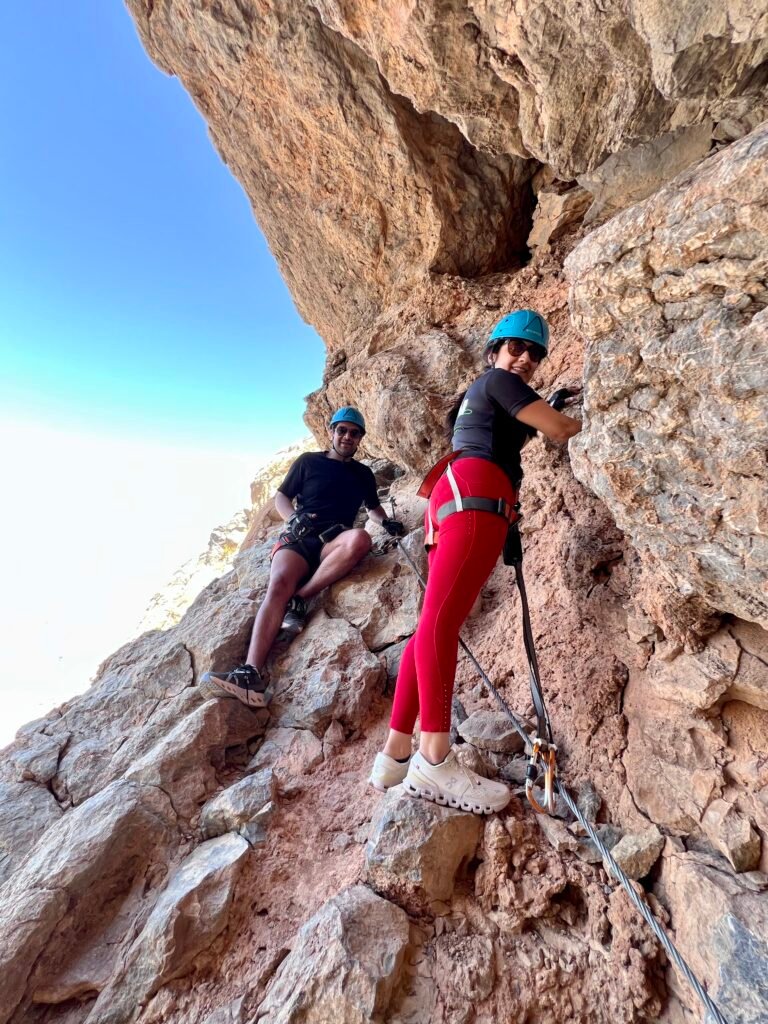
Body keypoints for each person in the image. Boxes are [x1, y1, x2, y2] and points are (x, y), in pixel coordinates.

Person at [369, 309, 581, 814]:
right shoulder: (498, 381)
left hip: (451, 496)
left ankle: (396, 755)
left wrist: (540, 407)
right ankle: (435, 759)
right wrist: (574, 415)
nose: (525, 358)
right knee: (442, 624)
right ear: (494, 351)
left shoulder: (481, 396)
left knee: (430, 626)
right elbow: (558, 429)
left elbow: (514, 430)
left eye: (535, 353)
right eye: (516, 348)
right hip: (480, 494)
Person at [202, 407, 404, 707]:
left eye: (354, 432)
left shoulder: (363, 474)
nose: (347, 436)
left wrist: (386, 521)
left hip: (332, 541)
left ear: (360, 437)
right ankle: (250, 672)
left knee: (360, 538)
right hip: (300, 536)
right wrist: (292, 518)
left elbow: (372, 507)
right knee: (278, 584)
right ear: (332, 431)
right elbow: (281, 497)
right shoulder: (308, 462)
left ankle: (301, 597)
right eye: (342, 430)